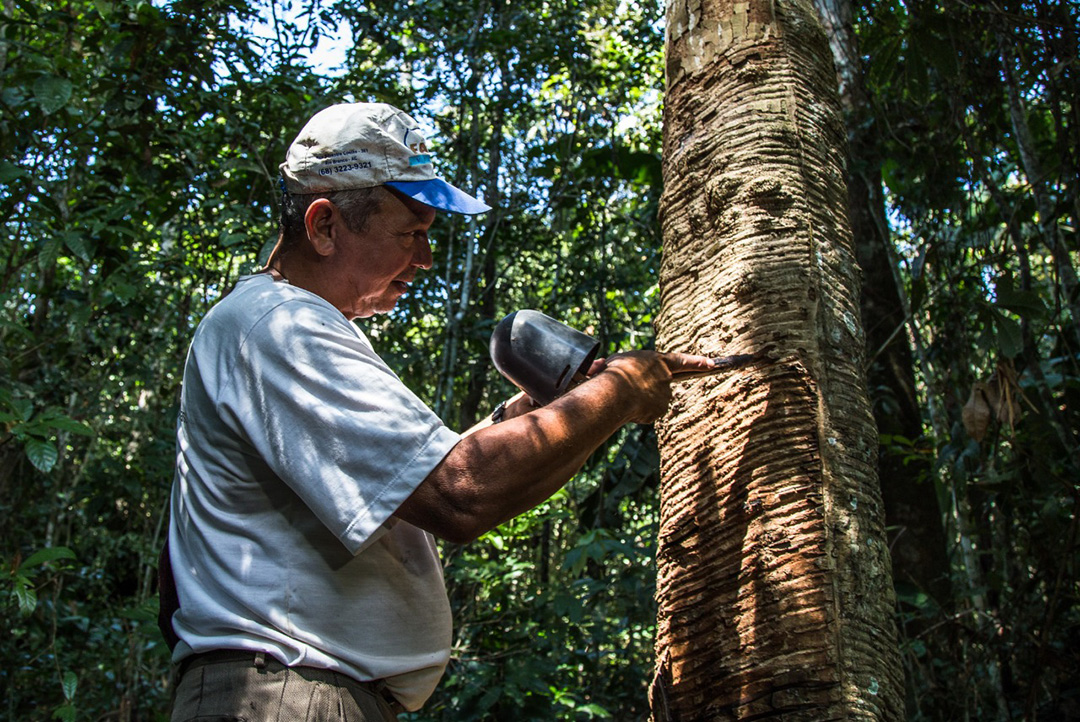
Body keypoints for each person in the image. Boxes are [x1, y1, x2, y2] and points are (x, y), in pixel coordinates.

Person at [163, 102, 717, 721]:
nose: (424, 259)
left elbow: (423, 480)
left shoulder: (278, 327)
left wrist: (530, 414)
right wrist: (620, 389)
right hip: (287, 695)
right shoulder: (281, 327)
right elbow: (461, 494)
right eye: (411, 233)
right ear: (323, 226)